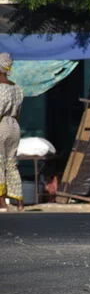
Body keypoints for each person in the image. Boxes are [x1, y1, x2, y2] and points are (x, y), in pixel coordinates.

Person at [0, 53, 25, 212]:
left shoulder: (0, 88)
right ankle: (20, 203)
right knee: (12, 163)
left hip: (2, 124)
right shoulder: (16, 87)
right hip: (14, 125)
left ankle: (2, 203)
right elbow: (18, 111)